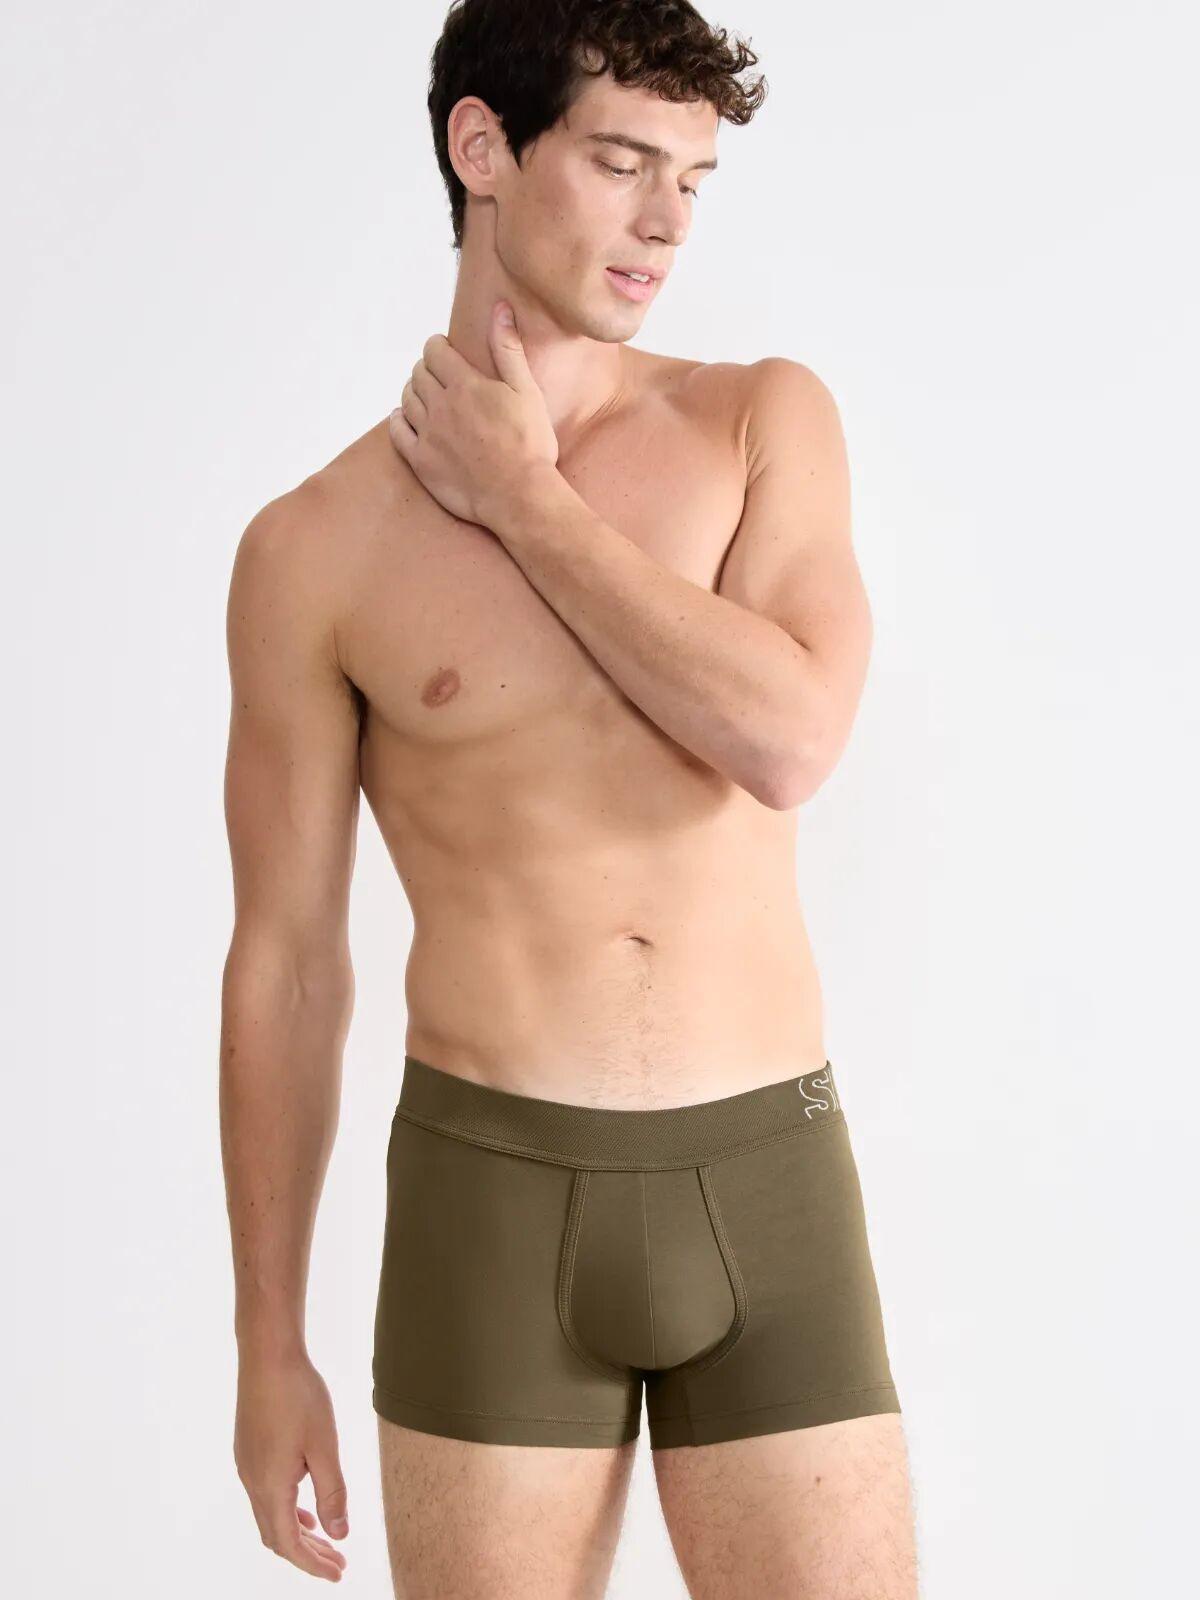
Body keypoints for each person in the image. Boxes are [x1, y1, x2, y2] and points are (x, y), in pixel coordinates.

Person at [219, 1, 920, 1594]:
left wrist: (527, 504)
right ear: (483, 147)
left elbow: (790, 739)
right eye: (620, 163)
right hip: (491, 1201)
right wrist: (268, 1344)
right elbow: (287, 964)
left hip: (768, 1180)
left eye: (694, 177)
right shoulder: (310, 552)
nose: (669, 220)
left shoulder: (758, 421)